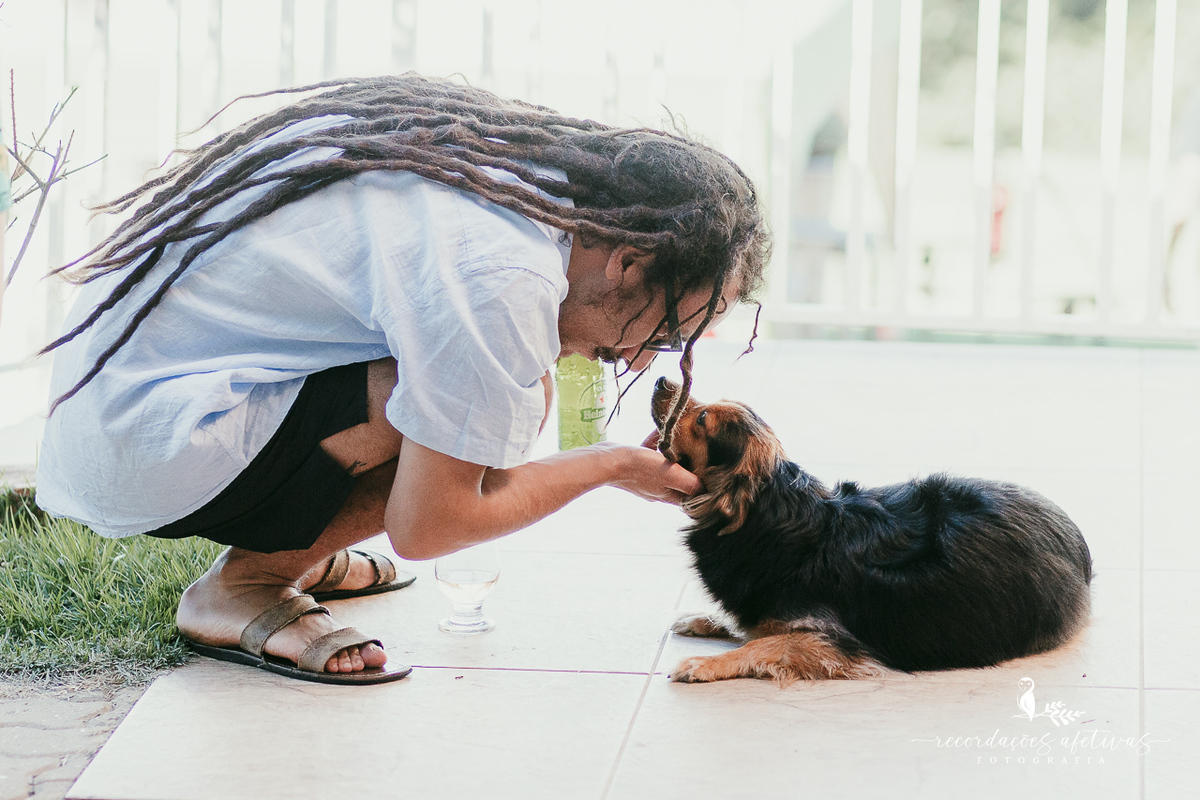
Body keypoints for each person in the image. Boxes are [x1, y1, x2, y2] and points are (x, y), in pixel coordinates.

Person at [34, 74, 770, 684]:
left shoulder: (510, 181)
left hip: (123, 405)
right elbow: (431, 527)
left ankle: (295, 548)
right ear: (628, 263)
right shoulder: (504, 274)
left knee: (483, 403)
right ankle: (246, 585)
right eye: (661, 332)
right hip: (149, 442)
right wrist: (608, 465)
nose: (638, 360)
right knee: (481, 407)